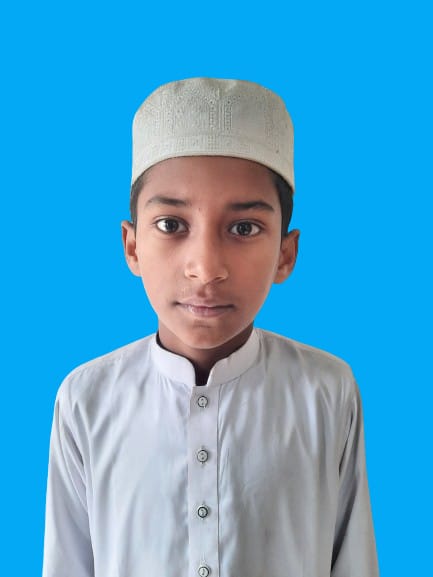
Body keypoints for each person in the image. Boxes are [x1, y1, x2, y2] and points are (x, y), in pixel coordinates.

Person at [42, 77, 379, 577]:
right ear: (132, 246)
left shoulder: (326, 391)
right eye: (171, 225)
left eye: (243, 228)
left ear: (285, 254)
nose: (205, 268)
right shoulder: (86, 400)